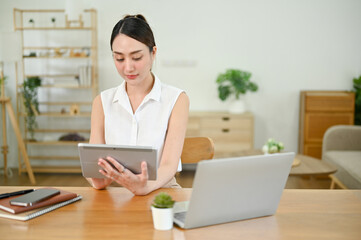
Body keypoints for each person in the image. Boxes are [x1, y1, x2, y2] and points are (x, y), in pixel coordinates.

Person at [87, 14, 189, 195]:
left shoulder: (176, 99)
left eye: (136, 57)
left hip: (163, 192)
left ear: (153, 53)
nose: (128, 68)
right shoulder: (102, 102)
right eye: (119, 59)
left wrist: (144, 187)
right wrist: (97, 177)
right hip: (119, 196)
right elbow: (97, 171)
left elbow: (168, 165)